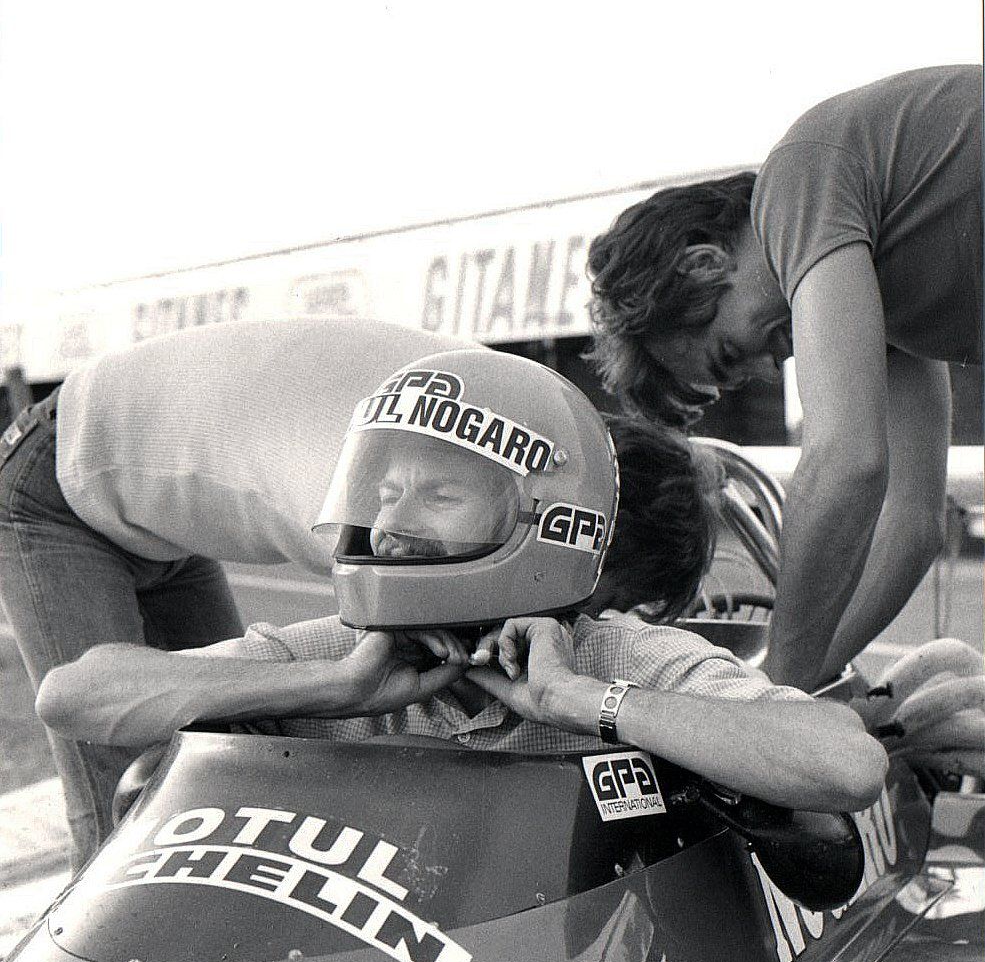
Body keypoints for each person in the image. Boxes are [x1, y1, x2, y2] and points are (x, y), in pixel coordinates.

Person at [38, 349, 887, 815]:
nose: (393, 523)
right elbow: (73, 697)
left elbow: (844, 765)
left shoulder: (625, 656)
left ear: (546, 521)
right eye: (386, 491)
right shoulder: (344, 651)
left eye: (440, 496)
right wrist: (333, 687)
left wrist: (577, 702)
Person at [0, 317, 472, 869]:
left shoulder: (467, 423)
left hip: (157, 463)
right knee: (125, 810)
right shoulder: (375, 503)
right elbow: (72, 699)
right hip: (62, 472)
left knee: (231, 748)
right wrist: (338, 683)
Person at [587, 65, 983, 692]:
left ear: (704, 263)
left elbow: (846, 463)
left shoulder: (797, 179)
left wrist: (765, 699)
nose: (773, 368)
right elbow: (911, 523)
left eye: (729, 354)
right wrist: (788, 686)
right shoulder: (880, 290)